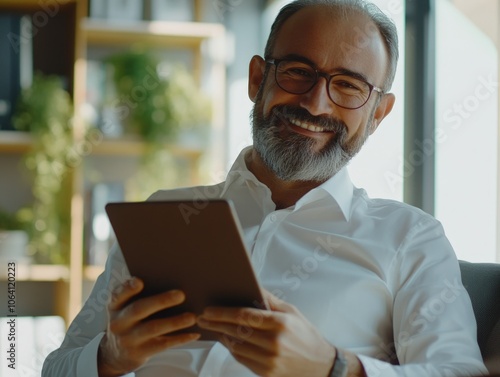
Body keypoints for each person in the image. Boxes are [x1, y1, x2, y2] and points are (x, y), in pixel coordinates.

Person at [43, 0, 488, 376]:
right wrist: (109, 357)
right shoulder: (164, 216)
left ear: (378, 113)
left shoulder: (412, 238)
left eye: (348, 86)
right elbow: (57, 367)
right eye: (298, 72)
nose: (315, 103)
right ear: (258, 79)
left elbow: (457, 372)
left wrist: (332, 367)